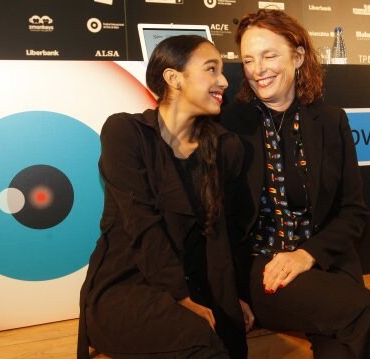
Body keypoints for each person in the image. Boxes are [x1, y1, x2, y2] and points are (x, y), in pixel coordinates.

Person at [220, 9, 370, 358]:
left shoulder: (330, 121)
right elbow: (220, 223)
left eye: (269, 55)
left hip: (327, 264)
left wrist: (307, 255)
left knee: (342, 350)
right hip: (265, 272)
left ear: (298, 55)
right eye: (248, 59)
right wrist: (230, 295)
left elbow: (353, 211)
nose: (258, 69)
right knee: (369, 310)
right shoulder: (229, 123)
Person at [77, 35, 252, 359]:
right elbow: (142, 225)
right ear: (174, 79)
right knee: (200, 342)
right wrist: (181, 298)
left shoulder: (227, 148)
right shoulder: (124, 133)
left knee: (223, 340)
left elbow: (229, 233)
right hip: (127, 284)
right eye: (211, 69)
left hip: (198, 284)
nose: (224, 81)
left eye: (222, 70)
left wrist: (235, 296)